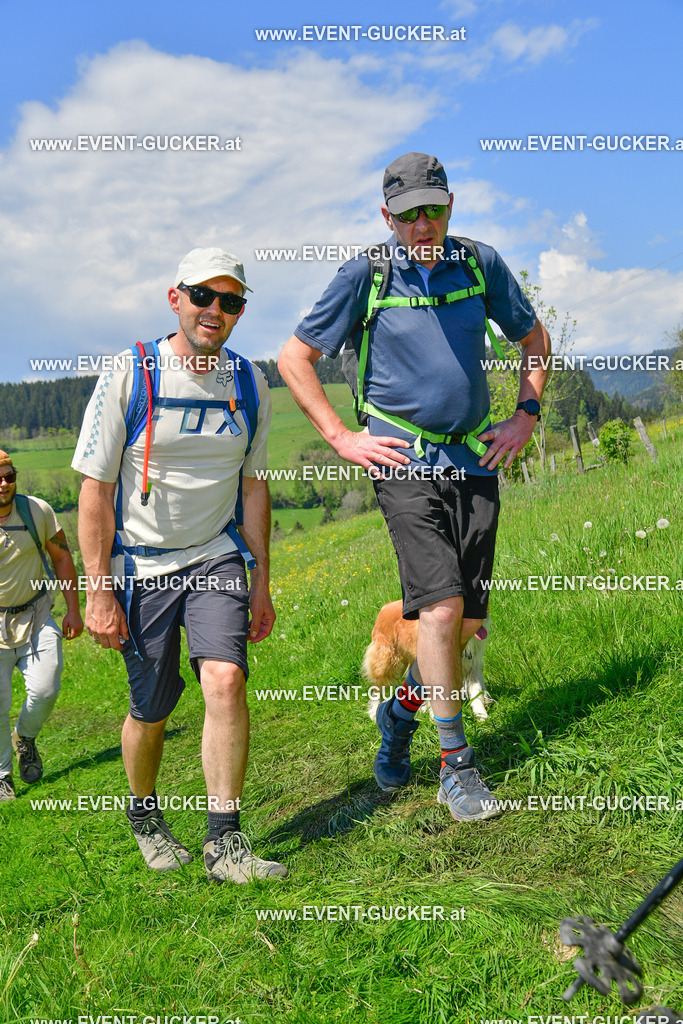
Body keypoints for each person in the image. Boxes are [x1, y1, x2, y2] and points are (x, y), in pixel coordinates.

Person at [278, 152, 550, 821]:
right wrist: (343, 438)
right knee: (439, 611)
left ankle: (401, 717)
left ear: (449, 205)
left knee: (467, 626)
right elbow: (294, 358)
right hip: (403, 464)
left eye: (433, 209)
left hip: (475, 461)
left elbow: (535, 341)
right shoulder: (364, 275)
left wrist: (524, 416)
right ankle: (456, 769)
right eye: (408, 215)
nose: (422, 224)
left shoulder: (478, 264)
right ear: (386, 216)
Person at [72, 248, 287, 882]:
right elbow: (92, 487)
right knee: (153, 709)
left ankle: (226, 842)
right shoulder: (130, 372)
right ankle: (145, 814)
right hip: (140, 566)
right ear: (176, 298)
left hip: (217, 556)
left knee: (225, 680)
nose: (216, 310)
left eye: (232, 301)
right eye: (203, 296)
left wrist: (261, 582)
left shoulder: (249, 382)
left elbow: (253, 486)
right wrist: (98, 591)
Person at [0, 450, 83, 801]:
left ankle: (26, 737)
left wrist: (74, 610)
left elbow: (62, 557)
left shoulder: (37, 510)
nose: (4, 484)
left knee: (47, 689)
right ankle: (2, 775)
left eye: (9, 476)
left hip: (36, 615)